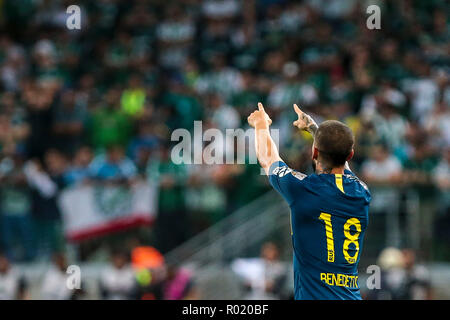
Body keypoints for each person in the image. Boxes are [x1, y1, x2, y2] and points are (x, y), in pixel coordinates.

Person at [247, 102, 371, 300]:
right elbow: (340, 161)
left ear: (314, 153)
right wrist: (315, 130)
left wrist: (261, 125)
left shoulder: (302, 188)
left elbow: (268, 158)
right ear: (351, 155)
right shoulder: (362, 192)